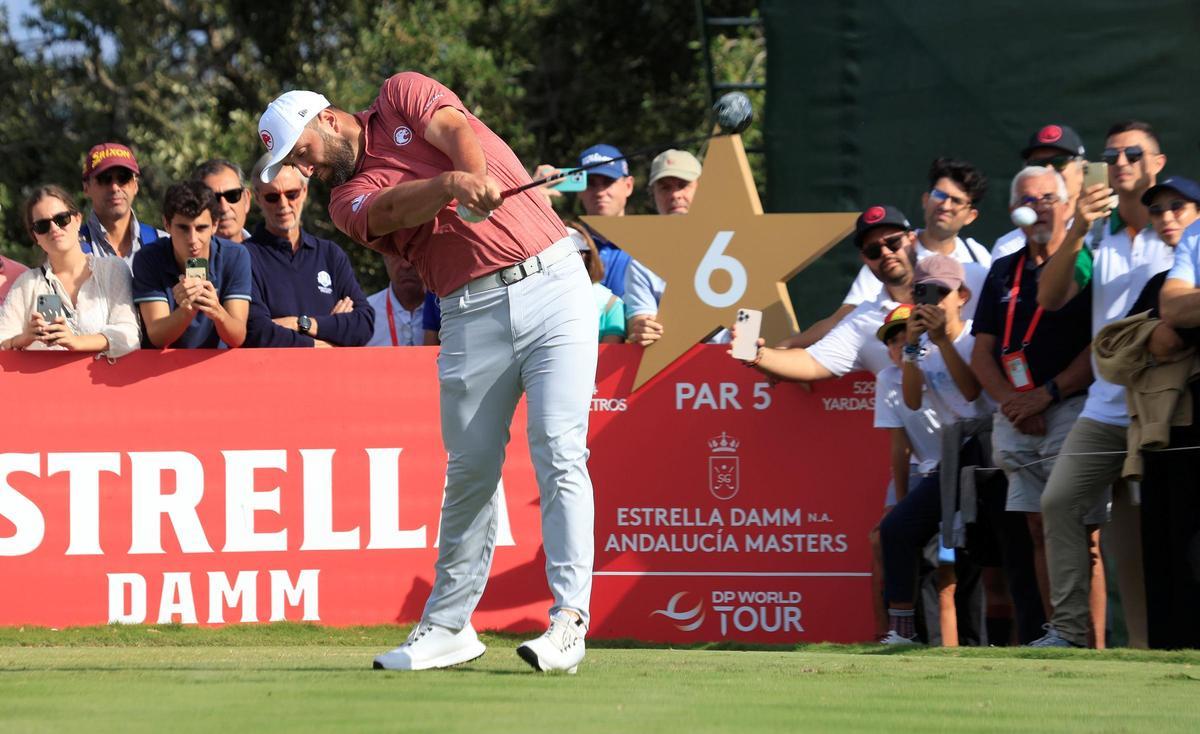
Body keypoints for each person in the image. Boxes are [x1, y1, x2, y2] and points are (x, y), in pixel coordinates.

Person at [257, 72, 596, 673]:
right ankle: (448, 627)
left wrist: (474, 180)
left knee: (559, 449)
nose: (302, 170)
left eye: (300, 152)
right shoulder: (343, 201)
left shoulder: (400, 93)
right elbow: (387, 208)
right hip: (468, 314)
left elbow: (456, 128)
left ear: (325, 120)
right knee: (471, 472)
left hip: (554, 284)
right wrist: (450, 187)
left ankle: (569, 621)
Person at [1034, 120, 1172, 648]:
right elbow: (1050, 298)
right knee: (1060, 502)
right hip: (1106, 409)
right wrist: (1074, 229)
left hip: (1168, 407)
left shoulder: (1184, 231)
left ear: (1158, 163)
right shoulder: (1100, 238)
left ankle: (1152, 646)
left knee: (1149, 534)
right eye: (1111, 156)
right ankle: (1069, 633)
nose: (1120, 163)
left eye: (1133, 153)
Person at [970, 166, 1102, 636]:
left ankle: (1094, 642)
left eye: (1051, 197)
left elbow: (1098, 344)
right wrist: (1011, 402)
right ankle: (1059, 634)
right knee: (1037, 528)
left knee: (1080, 532)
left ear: (1068, 206)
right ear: (1014, 211)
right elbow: (983, 350)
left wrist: (1045, 396)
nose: (1041, 206)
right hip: (1015, 414)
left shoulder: (1086, 261)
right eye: (1031, 198)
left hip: (1069, 407)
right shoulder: (1004, 270)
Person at [877, 255, 987, 644]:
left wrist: (942, 340)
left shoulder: (976, 337)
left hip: (992, 451)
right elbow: (910, 400)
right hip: (956, 457)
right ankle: (902, 630)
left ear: (963, 296)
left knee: (994, 554)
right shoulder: (921, 347)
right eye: (925, 292)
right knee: (896, 529)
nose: (935, 301)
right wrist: (910, 345)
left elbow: (973, 393)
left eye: (943, 292)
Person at [793, 158, 989, 347]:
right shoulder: (893, 257)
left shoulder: (978, 256)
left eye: (956, 201)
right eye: (939, 195)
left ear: (971, 216)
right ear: (925, 199)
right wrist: (792, 343)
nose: (945, 206)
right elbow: (845, 318)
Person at [1128, 176, 1200, 649]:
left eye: (1179, 206)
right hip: (1165, 429)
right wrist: (1156, 329)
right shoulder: (1159, 279)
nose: (1167, 216)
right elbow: (1131, 342)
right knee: (1165, 551)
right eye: (1157, 209)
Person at [738, 205, 916, 382]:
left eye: (894, 243)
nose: (885, 253)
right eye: (873, 251)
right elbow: (811, 363)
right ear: (864, 259)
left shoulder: (942, 289)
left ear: (913, 240)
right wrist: (755, 354)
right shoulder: (862, 320)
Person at [243, 158, 373, 348]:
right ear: (258, 198)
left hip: (331, 376)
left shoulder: (329, 255)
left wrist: (302, 324)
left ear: (304, 192)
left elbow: (363, 324)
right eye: (272, 197)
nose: (283, 204)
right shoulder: (244, 256)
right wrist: (323, 343)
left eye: (291, 194)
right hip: (273, 376)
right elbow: (257, 332)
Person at [0, 185, 139, 357]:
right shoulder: (26, 284)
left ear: (78, 220)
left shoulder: (112, 269)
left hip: (104, 381)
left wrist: (75, 341)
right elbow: (2, 339)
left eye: (61, 219)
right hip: (46, 383)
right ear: (35, 236)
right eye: (42, 225)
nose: (54, 228)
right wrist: (23, 339)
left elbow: (130, 335)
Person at [132, 181, 252, 349]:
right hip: (162, 369)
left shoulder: (235, 256)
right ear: (167, 225)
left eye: (201, 228)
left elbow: (237, 337)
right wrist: (186, 311)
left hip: (217, 367)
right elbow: (157, 337)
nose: (193, 240)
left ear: (215, 225)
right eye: (183, 228)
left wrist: (217, 311)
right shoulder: (149, 259)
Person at [624, 149, 702, 346]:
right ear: (653, 195)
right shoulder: (642, 261)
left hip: (736, 368)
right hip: (673, 371)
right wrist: (642, 329)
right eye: (665, 188)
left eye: (683, 185)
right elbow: (640, 322)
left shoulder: (736, 244)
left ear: (703, 189)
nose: (675, 195)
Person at [535, 144, 634, 297]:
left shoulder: (653, 243)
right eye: (590, 182)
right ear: (578, 190)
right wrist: (530, 205)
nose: (600, 192)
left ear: (628, 186)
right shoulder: (563, 244)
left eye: (608, 181)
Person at [992, 124, 1088, 261]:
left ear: (1082, 171)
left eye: (1059, 162)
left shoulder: (1103, 230)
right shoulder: (1009, 247)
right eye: (1038, 164)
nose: (1049, 170)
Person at [79, 142, 166, 266]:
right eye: (104, 179)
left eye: (123, 178)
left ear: (135, 185)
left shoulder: (165, 243)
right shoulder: (70, 249)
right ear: (86, 187)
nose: (115, 187)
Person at [566, 223, 625, 343]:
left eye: (575, 252)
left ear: (588, 256)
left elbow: (608, 357)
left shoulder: (612, 303)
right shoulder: (532, 297)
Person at [366, 251, 426, 347]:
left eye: (414, 255)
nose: (406, 265)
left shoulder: (445, 310)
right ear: (385, 259)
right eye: (397, 255)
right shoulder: (366, 314)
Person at [193, 159, 253, 243]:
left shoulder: (266, 252)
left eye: (232, 195)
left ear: (246, 200)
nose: (224, 208)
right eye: (212, 199)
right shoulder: (179, 254)